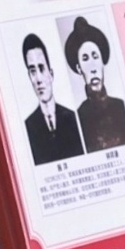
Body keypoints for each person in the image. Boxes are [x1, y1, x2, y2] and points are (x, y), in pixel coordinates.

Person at [68, 17, 125, 154]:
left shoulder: (121, 107)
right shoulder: (79, 117)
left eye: (95, 57)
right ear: (79, 68)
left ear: (102, 61)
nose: (93, 68)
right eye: (85, 59)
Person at [19, 33, 83, 166]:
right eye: (32, 71)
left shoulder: (73, 119)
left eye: (41, 69)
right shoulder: (27, 127)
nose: (38, 79)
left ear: (51, 74)